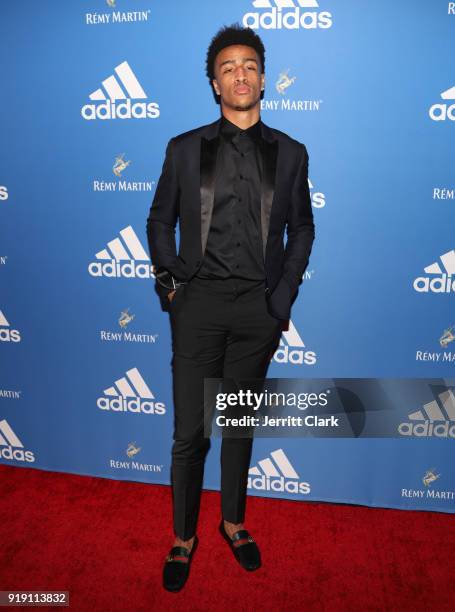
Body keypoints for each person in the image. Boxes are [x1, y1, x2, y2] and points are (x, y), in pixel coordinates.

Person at [146, 23, 315, 592]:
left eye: (249, 65)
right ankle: (183, 537)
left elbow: (303, 228)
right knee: (191, 433)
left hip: (258, 314)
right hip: (198, 307)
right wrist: (171, 284)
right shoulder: (185, 148)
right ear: (214, 84)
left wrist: (282, 298)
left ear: (263, 79)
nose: (239, 74)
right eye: (227, 68)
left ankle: (234, 522)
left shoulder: (291, 153)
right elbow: (158, 220)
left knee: (238, 426)